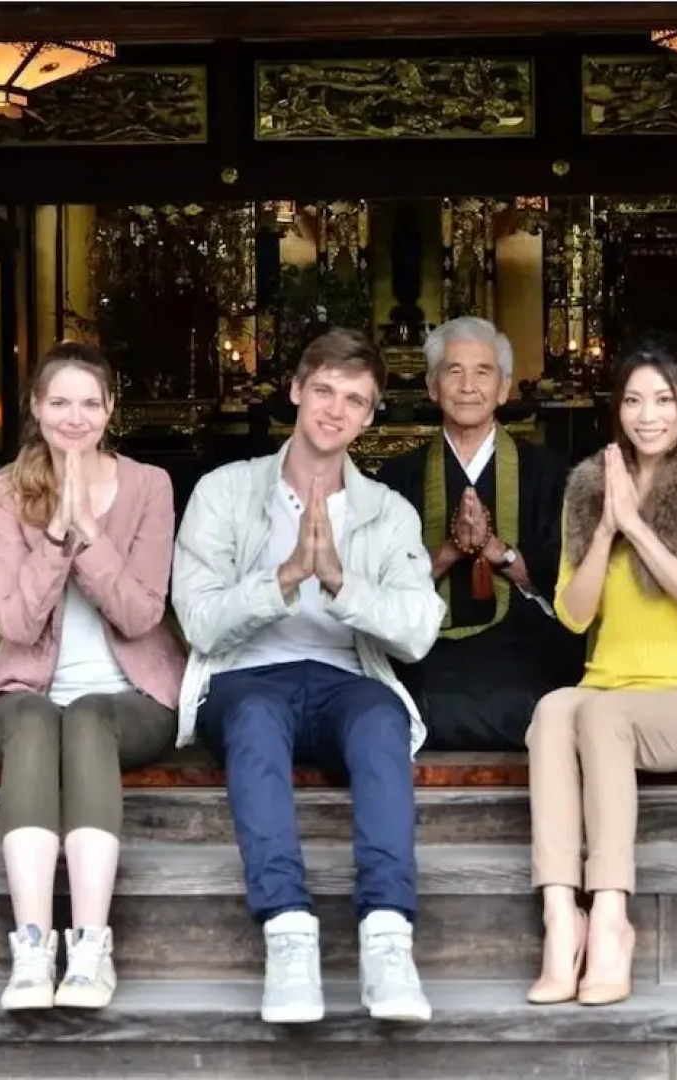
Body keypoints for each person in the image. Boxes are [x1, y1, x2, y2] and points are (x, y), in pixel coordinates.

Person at [170, 327, 446, 1026]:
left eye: (354, 399)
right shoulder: (224, 491)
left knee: (384, 719)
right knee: (256, 721)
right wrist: (285, 577)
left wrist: (340, 583)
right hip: (244, 679)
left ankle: (388, 934)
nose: (334, 409)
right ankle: (288, 932)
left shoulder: (389, 512)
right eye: (323, 390)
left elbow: (417, 632)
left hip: (342, 678)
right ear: (295, 390)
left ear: (370, 414)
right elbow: (198, 623)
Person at [524, 333, 677, 1007]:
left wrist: (639, 527)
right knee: (553, 709)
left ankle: (613, 918)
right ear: (616, 408)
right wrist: (603, 530)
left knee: (594, 711)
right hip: (606, 690)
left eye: (663, 399)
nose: (647, 415)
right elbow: (572, 613)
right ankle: (563, 920)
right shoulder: (590, 487)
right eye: (632, 401)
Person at [0, 341, 186, 1011]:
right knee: (41, 720)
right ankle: (34, 948)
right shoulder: (8, 490)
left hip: (133, 694)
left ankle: (92, 947)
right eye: (60, 402)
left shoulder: (149, 486)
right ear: (36, 409)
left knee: (90, 716)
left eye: (89, 403)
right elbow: (12, 623)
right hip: (27, 690)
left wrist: (91, 537)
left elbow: (140, 613)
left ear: (110, 411)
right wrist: (55, 538)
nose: (75, 417)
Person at [378, 317, 584, 751]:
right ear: (433, 386)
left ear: (503, 387)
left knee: (530, 703)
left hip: (520, 640)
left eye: (483, 372)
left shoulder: (547, 471)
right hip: (428, 644)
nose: (468, 385)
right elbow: (384, 588)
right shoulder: (399, 477)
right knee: (405, 705)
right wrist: (452, 550)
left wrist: (499, 552)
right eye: (454, 371)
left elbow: (564, 582)